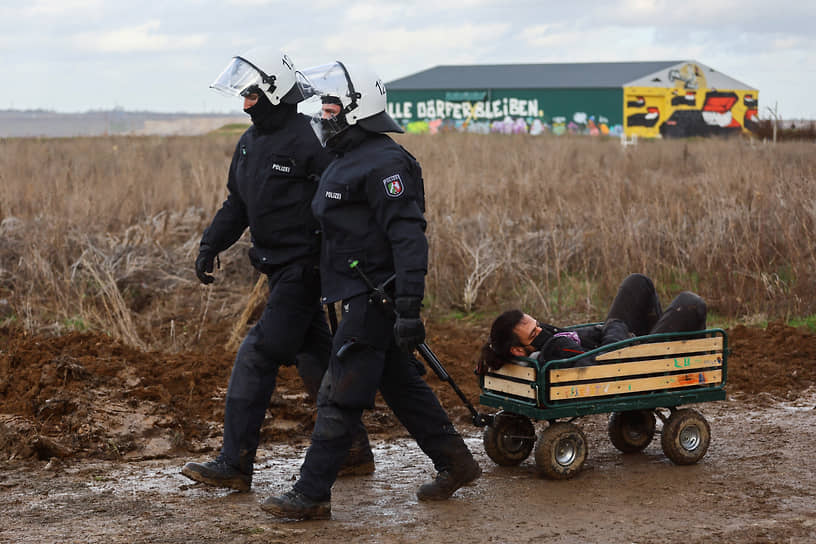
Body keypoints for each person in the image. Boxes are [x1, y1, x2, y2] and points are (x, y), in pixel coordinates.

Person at [260, 61, 480, 520]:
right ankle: (456, 462)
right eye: (323, 104)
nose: (323, 113)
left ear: (360, 109)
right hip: (358, 294)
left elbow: (408, 239)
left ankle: (312, 494)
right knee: (401, 385)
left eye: (332, 104)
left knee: (340, 392)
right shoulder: (347, 158)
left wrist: (407, 308)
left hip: (376, 299)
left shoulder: (387, 163)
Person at [181, 48, 373, 493]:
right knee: (314, 354)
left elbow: (343, 197)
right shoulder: (248, 143)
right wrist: (211, 244)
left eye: (251, 94)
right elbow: (238, 204)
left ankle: (234, 462)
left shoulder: (312, 139)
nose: (244, 103)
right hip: (274, 267)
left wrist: (343, 255)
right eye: (243, 94)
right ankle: (353, 449)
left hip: (305, 269)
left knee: (258, 353)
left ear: (275, 92)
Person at [478, 273, 707, 372]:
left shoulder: (541, 341)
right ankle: (674, 361)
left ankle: (659, 340)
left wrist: (611, 328)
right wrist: (614, 326)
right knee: (690, 303)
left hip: (615, 340)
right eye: (533, 332)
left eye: (537, 324)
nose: (541, 329)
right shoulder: (554, 348)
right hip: (626, 362)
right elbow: (599, 366)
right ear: (517, 350)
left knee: (638, 282)